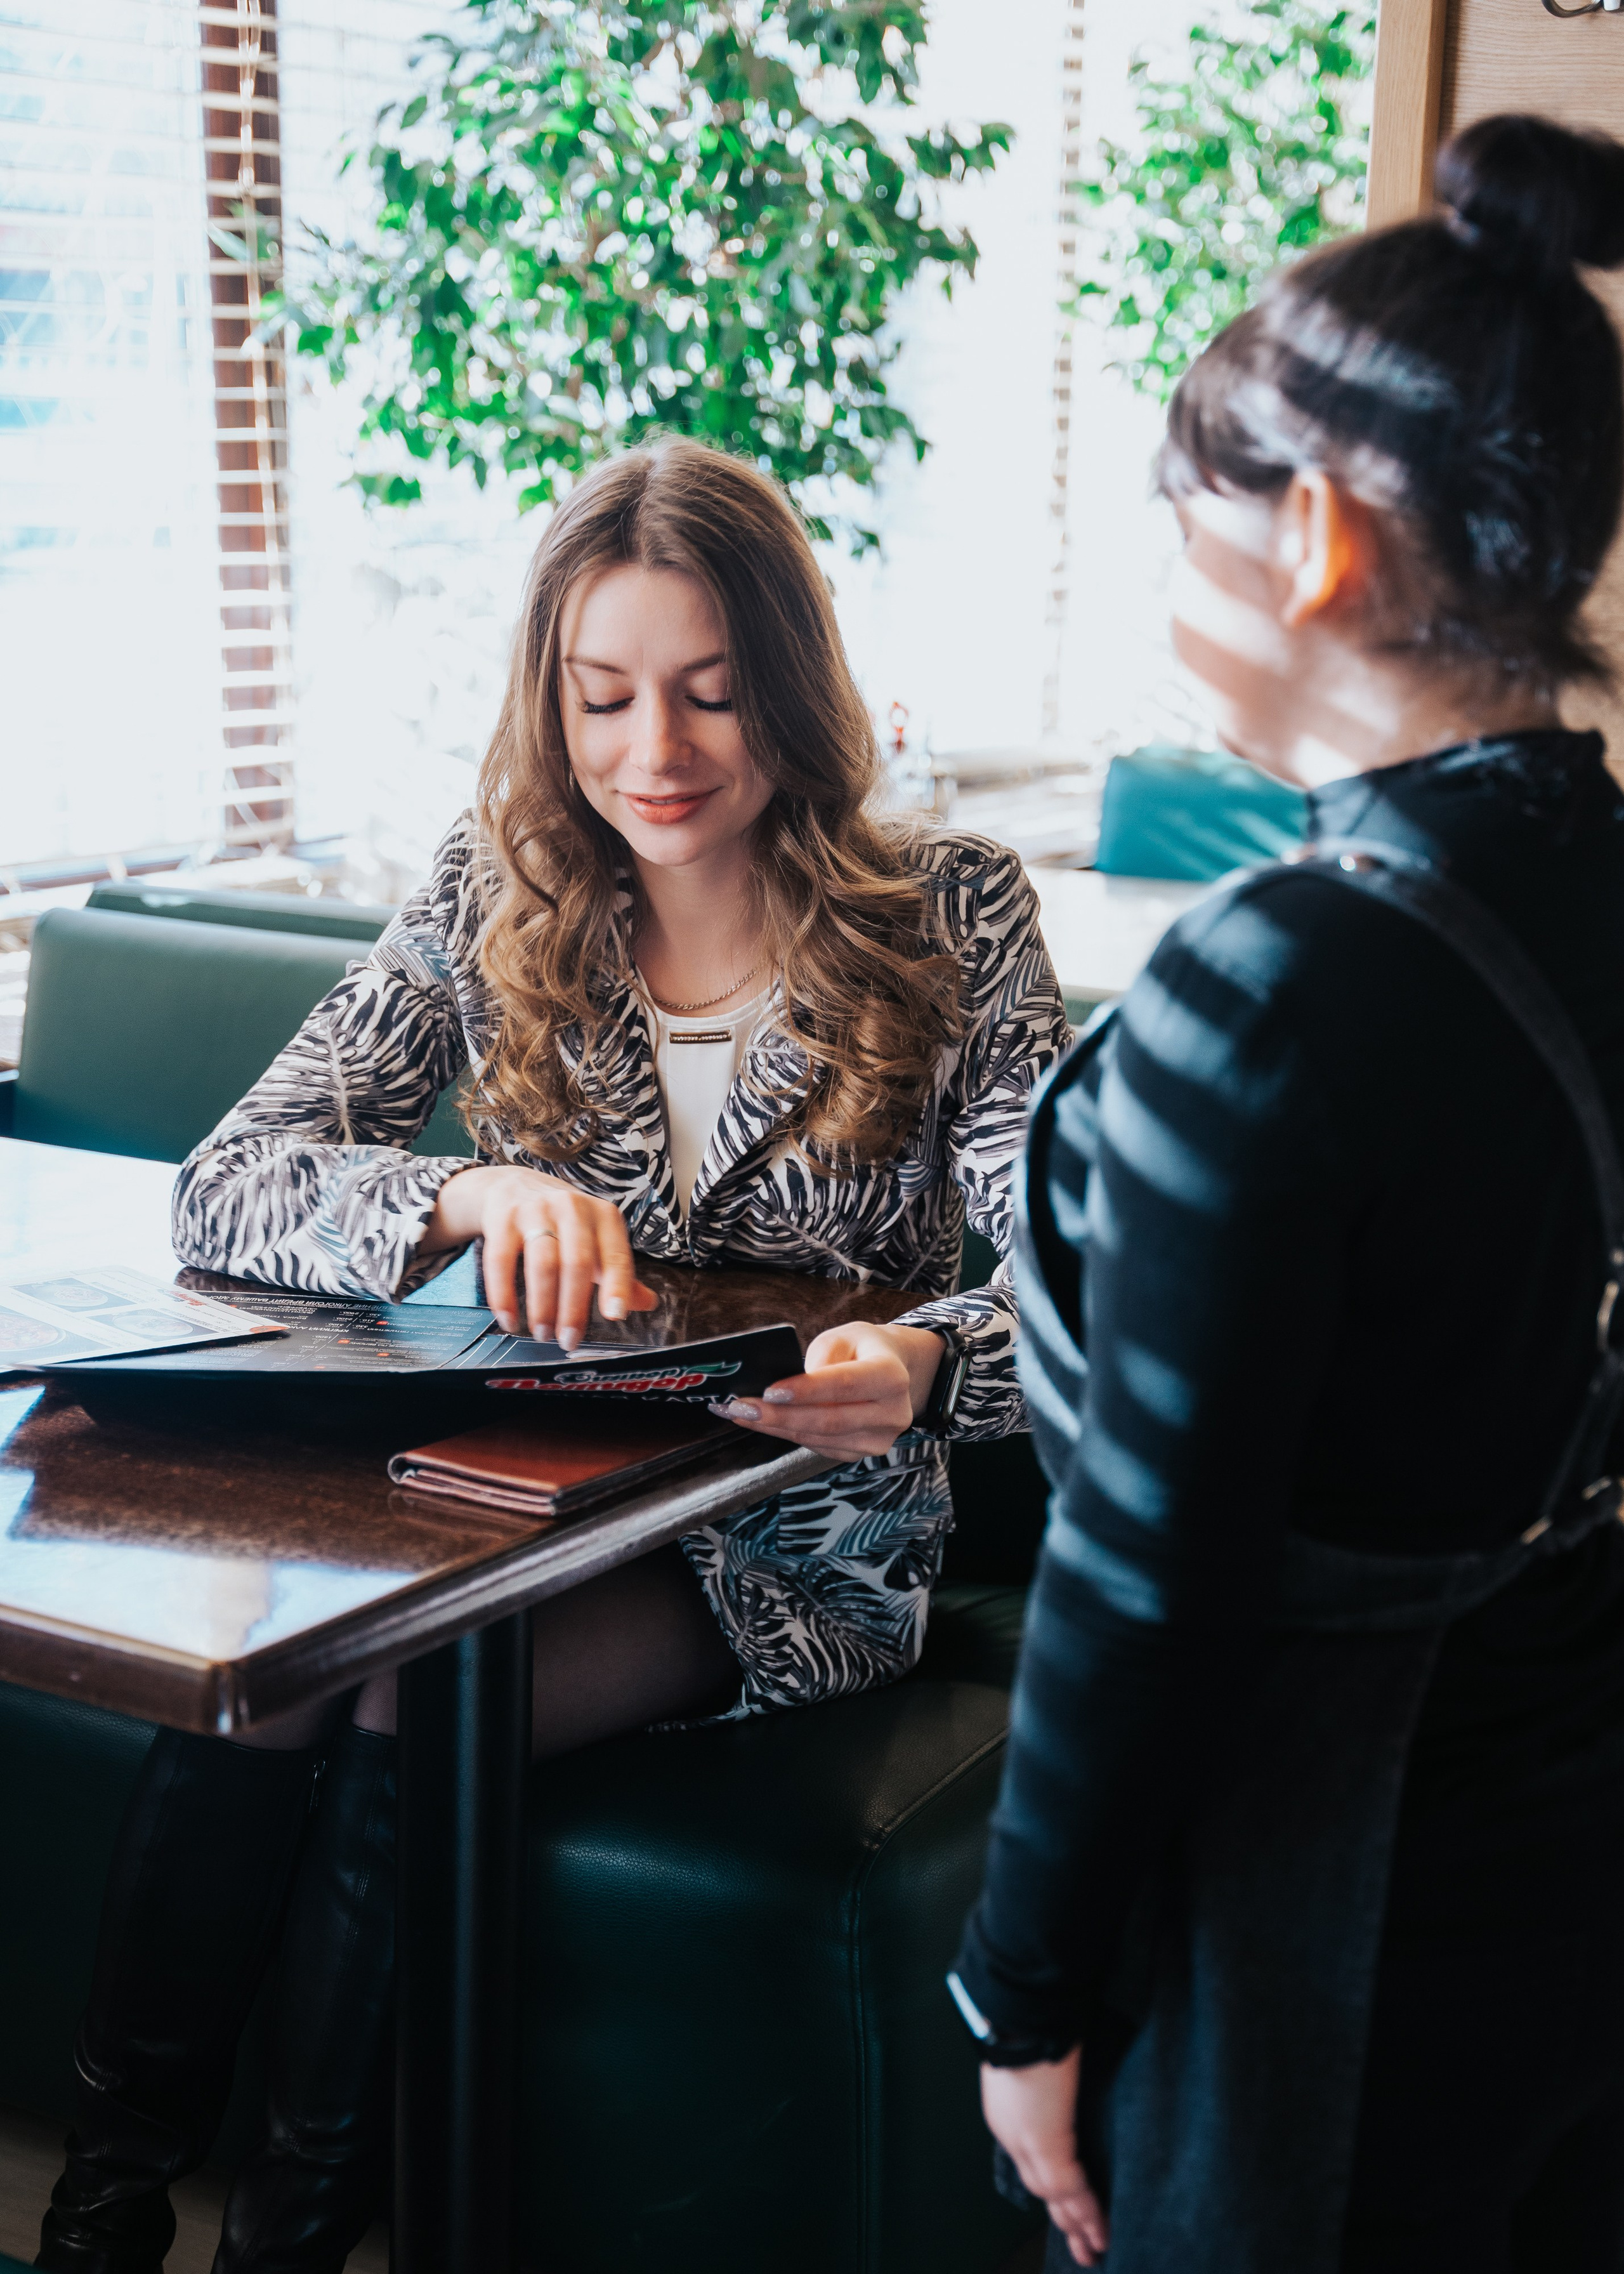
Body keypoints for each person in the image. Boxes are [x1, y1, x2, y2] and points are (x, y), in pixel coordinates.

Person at [36, 438, 1070, 2274]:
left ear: (794, 688)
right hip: (513, 1484)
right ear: (553, 698)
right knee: (270, 1669)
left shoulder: (956, 911)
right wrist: (459, 1191)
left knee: (406, 1690)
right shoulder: (494, 886)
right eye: (604, 697)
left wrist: (921, 1366)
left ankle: (288, 2244)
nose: (652, 753)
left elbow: (1084, 1277)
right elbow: (229, 1185)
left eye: (709, 693)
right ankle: (107, 2214)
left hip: (787, 1536)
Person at [951, 114, 1624, 2274]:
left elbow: (1145, 1573)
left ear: (1317, 542)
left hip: (1327, 1888)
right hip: (1571, 1807)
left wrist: (1022, 1995)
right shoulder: (1588, 879)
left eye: (1184, 524)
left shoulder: (1283, 978)